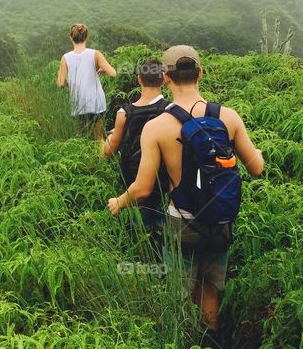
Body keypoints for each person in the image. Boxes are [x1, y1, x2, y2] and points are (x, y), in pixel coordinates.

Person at [107, 45, 264, 331]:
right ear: (200, 73)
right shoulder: (228, 117)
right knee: (210, 288)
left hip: (181, 221)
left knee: (179, 293)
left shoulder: (157, 127)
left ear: (166, 78)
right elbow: (257, 168)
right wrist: (260, 154)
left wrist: (119, 201)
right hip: (220, 219)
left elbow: (142, 188)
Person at [102, 58, 168, 235]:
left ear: (139, 79)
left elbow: (109, 151)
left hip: (132, 190)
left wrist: (103, 140)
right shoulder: (171, 110)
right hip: (165, 189)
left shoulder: (124, 113)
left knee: (139, 237)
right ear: (164, 79)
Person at [56, 23, 116, 136]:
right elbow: (113, 73)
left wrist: (71, 84)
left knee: (82, 138)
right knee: (98, 138)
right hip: (96, 103)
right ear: (87, 37)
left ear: (71, 38)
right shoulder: (95, 54)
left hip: (78, 103)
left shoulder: (65, 58)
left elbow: (60, 82)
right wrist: (102, 70)